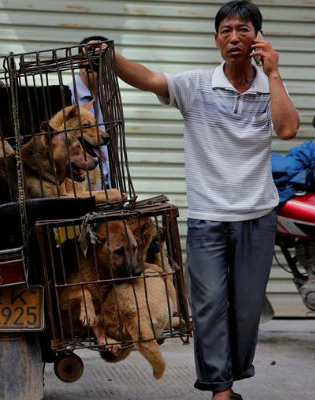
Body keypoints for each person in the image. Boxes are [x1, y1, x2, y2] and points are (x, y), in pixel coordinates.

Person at [112, 1, 299, 399]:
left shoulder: (271, 87)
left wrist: (275, 72)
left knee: (246, 310)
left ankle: (229, 378)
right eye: (227, 30)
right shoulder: (196, 86)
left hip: (257, 217)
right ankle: (221, 390)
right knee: (210, 305)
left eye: (244, 30)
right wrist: (108, 54)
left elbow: (286, 129)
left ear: (258, 38)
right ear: (216, 40)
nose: (235, 37)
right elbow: (146, 79)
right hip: (207, 219)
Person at [69, 35, 112, 189]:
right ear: (81, 61)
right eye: (94, 58)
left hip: (108, 187)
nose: (99, 66)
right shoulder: (68, 96)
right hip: (83, 189)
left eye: (104, 59)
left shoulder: (109, 98)